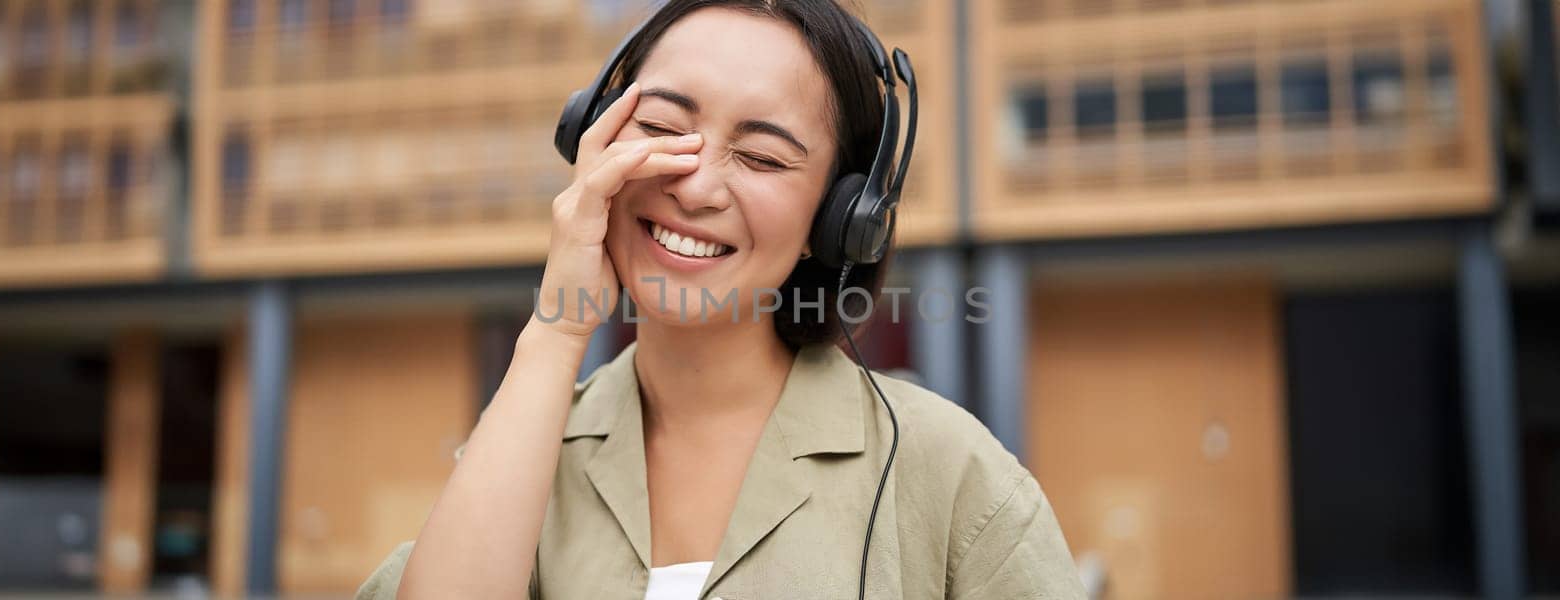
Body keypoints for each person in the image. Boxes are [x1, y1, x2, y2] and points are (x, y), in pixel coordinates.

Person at [358, 1, 1084, 598]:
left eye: (763, 157)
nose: (696, 187)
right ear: (595, 136)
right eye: (662, 128)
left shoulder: (951, 475)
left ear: (839, 219)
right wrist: (557, 329)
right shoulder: (522, 448)